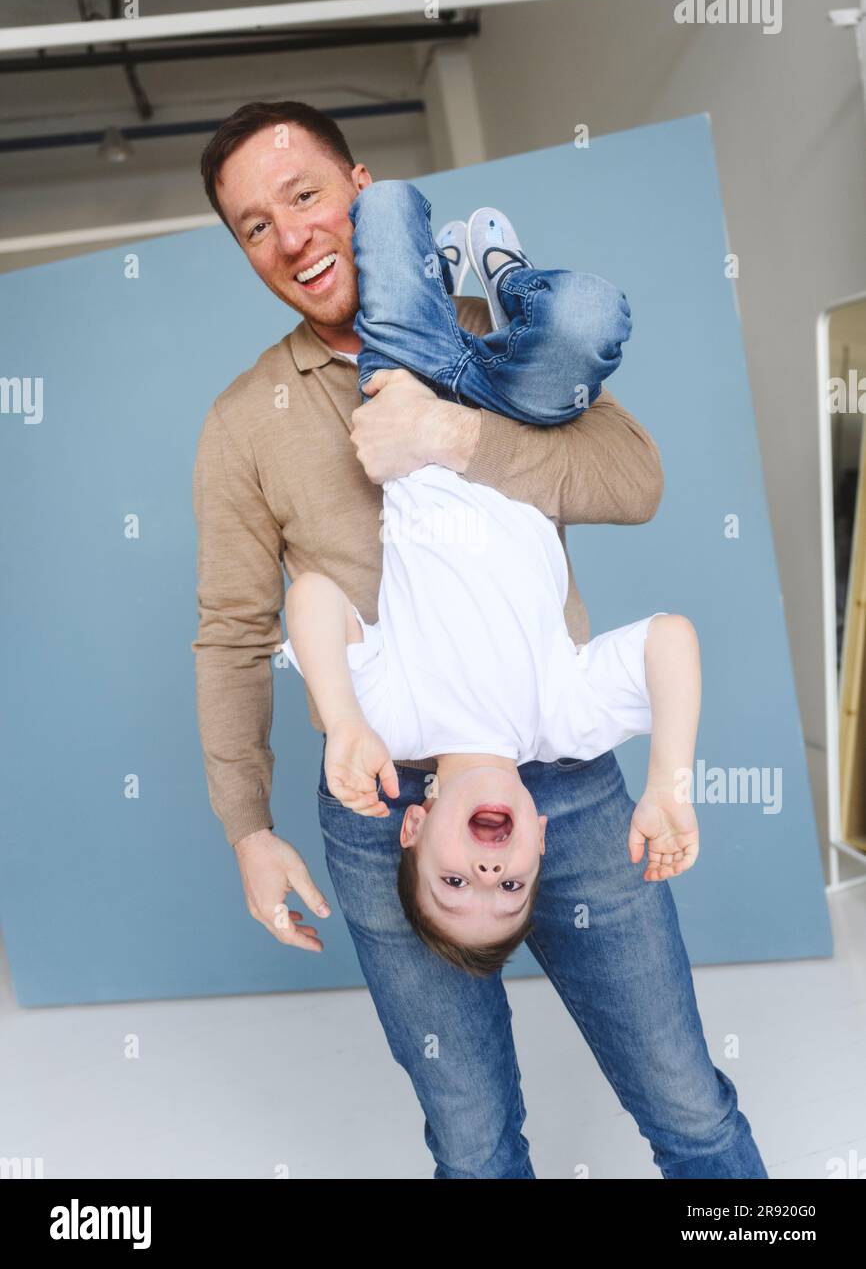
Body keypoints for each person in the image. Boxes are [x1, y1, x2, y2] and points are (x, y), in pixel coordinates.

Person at [192, 99, 768, 1178]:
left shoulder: (489, 344)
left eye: (305, 196)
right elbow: (233, 631)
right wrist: (246, 827)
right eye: (254, 225)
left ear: (360, 193)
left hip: (568, 774)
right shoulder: (241, 422)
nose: (290, 237)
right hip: (380, 801)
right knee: (467, 1133)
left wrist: (453, 435)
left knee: (685, 1100)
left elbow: (631, 481)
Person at [274, 178, 702, 973]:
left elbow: (312, 599)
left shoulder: (395, 727)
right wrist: (671, 781)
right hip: (513, 413)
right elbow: (672, 639)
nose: (486, 871)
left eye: (453, 881)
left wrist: (342, 721)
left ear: (413, 825)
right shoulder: (561, 723)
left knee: (389, 204)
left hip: (403, 384)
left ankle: (435, 289)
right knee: (588, 316)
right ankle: (506, 278)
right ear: (541, 838)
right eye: (508, 887)